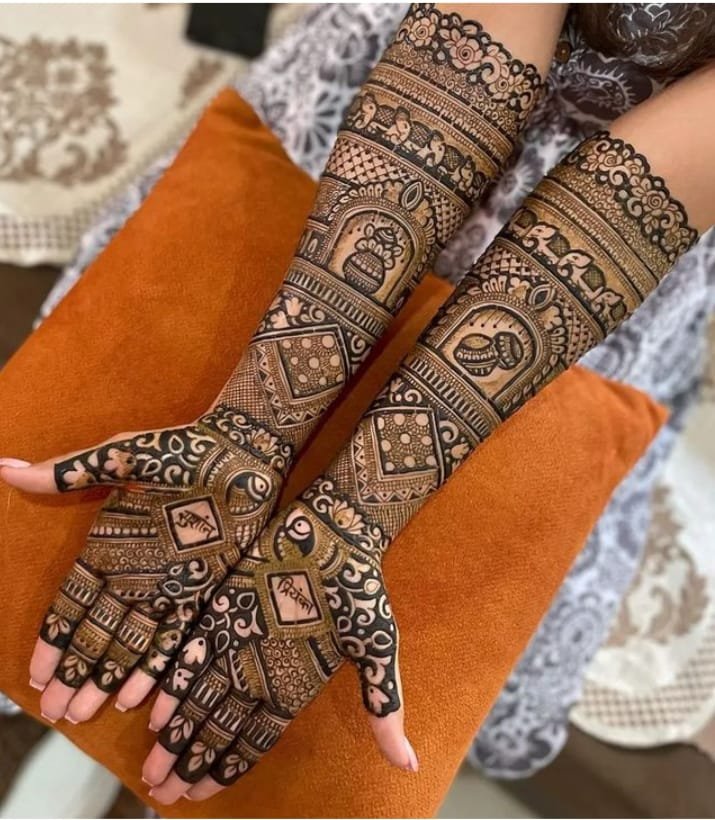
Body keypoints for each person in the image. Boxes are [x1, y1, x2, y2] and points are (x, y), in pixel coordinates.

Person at [0, 2, 713, 806]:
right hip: (404, 122)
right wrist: (254, 425)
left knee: (259, 703)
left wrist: (352, 514)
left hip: (602, 264)